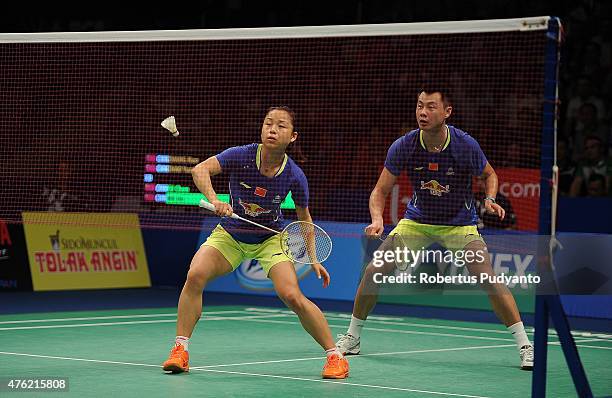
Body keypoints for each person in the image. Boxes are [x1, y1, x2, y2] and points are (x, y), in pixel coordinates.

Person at [335, 89, 534, 370]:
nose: (422, 113)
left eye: (430, 107)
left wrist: (489, 199)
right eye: (419, 106)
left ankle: (525, 344)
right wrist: (377, 219)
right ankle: (353, 337)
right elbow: (380, 190)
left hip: (460, 224)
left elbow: (490, 174)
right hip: (417, 222)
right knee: (373, 271)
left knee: (487, 277)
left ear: (447, 112)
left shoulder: (464, 144)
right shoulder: (405, 145)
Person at [162, 106, 349, 379]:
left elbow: (304, 219)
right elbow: (200, 170)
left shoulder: (295, 176)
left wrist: (314, 258)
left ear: (293, 136)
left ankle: (335, 356)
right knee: (195, 275)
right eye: (268, 123)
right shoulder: (242, 155)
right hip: (231, 234)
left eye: (281, 126)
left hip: (270, 238)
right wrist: (215, 200)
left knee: (292, 296)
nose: (272, 129)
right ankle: (180, 349)